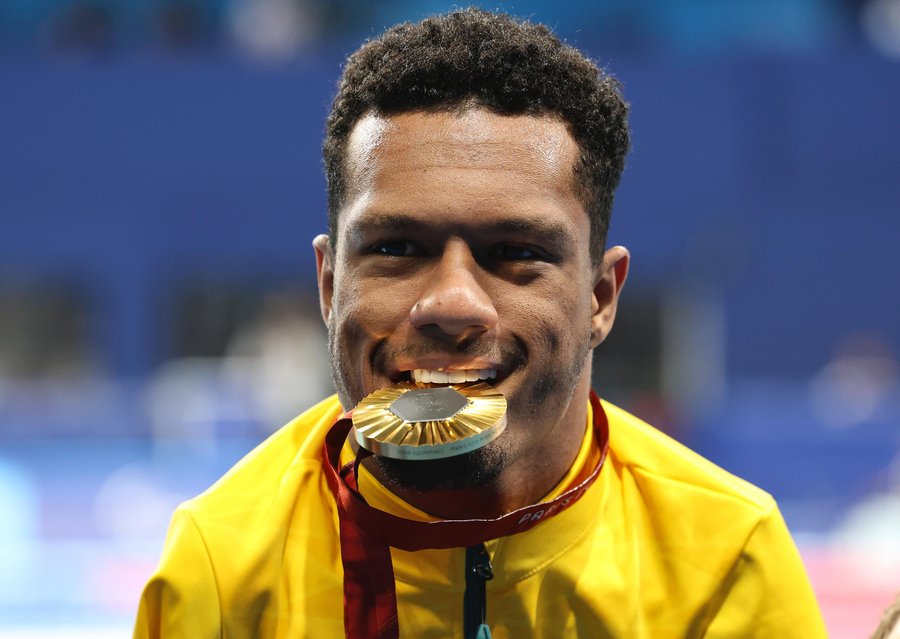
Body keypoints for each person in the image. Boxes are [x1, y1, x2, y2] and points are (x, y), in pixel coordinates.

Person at [134, 8, 827, 638]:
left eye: (516, 253)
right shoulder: (223, 570)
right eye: (397, 248)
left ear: (600, 296)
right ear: (328, 284)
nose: (452, 303)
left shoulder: (726, 561)